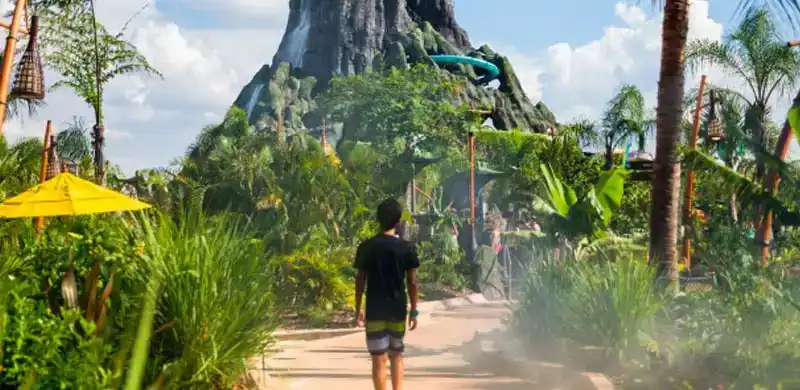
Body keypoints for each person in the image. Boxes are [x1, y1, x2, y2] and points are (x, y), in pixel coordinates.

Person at [354, 198, 420, 390]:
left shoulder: (366, 247)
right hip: (398, 309)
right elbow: (413, 283)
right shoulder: (406, 248)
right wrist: (414, 310)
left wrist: (358, 308)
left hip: (374, 309)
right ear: (398, 221)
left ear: (378, 219)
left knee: (378, 360)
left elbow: (360, 281)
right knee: (396, 355)